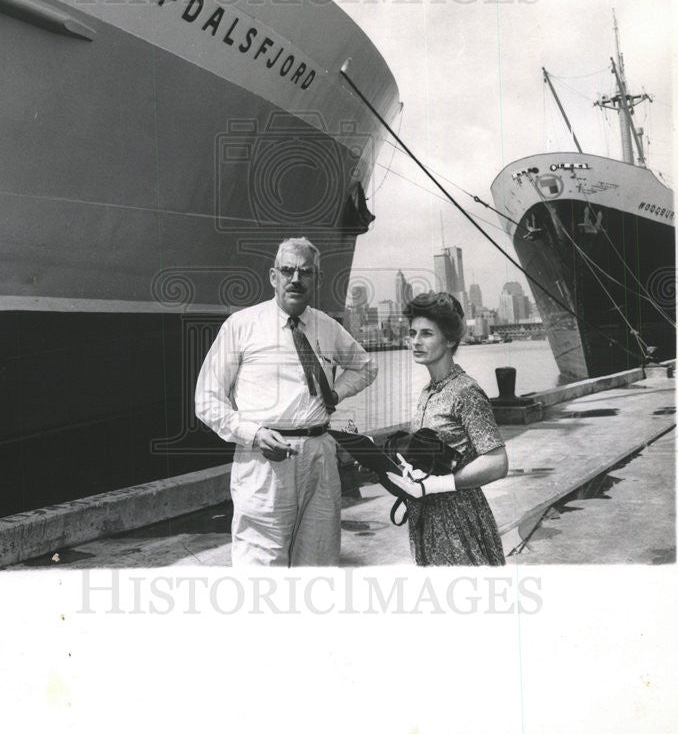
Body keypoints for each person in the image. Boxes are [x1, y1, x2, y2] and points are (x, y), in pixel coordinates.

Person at [194, 237, 378, 566]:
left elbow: (366, 367)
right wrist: (251, 434)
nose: (296, 279)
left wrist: (337, 393)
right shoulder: (241, 326)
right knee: (261, 571)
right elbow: (206, 398)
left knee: (319, 566)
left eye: (305, 272)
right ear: (273, 277)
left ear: (316, 279)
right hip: (263, 463)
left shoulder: (327, 327)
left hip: (319, 459)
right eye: (288, 271)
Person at [385, 292, 508, 565]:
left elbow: (497, 462)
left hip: (458, 522)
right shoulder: (427, 393)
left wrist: (437, 484)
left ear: (450, 339)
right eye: (413, 333)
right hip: (426, 521)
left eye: (427, 333)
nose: (416, 341)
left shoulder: (466, 391)